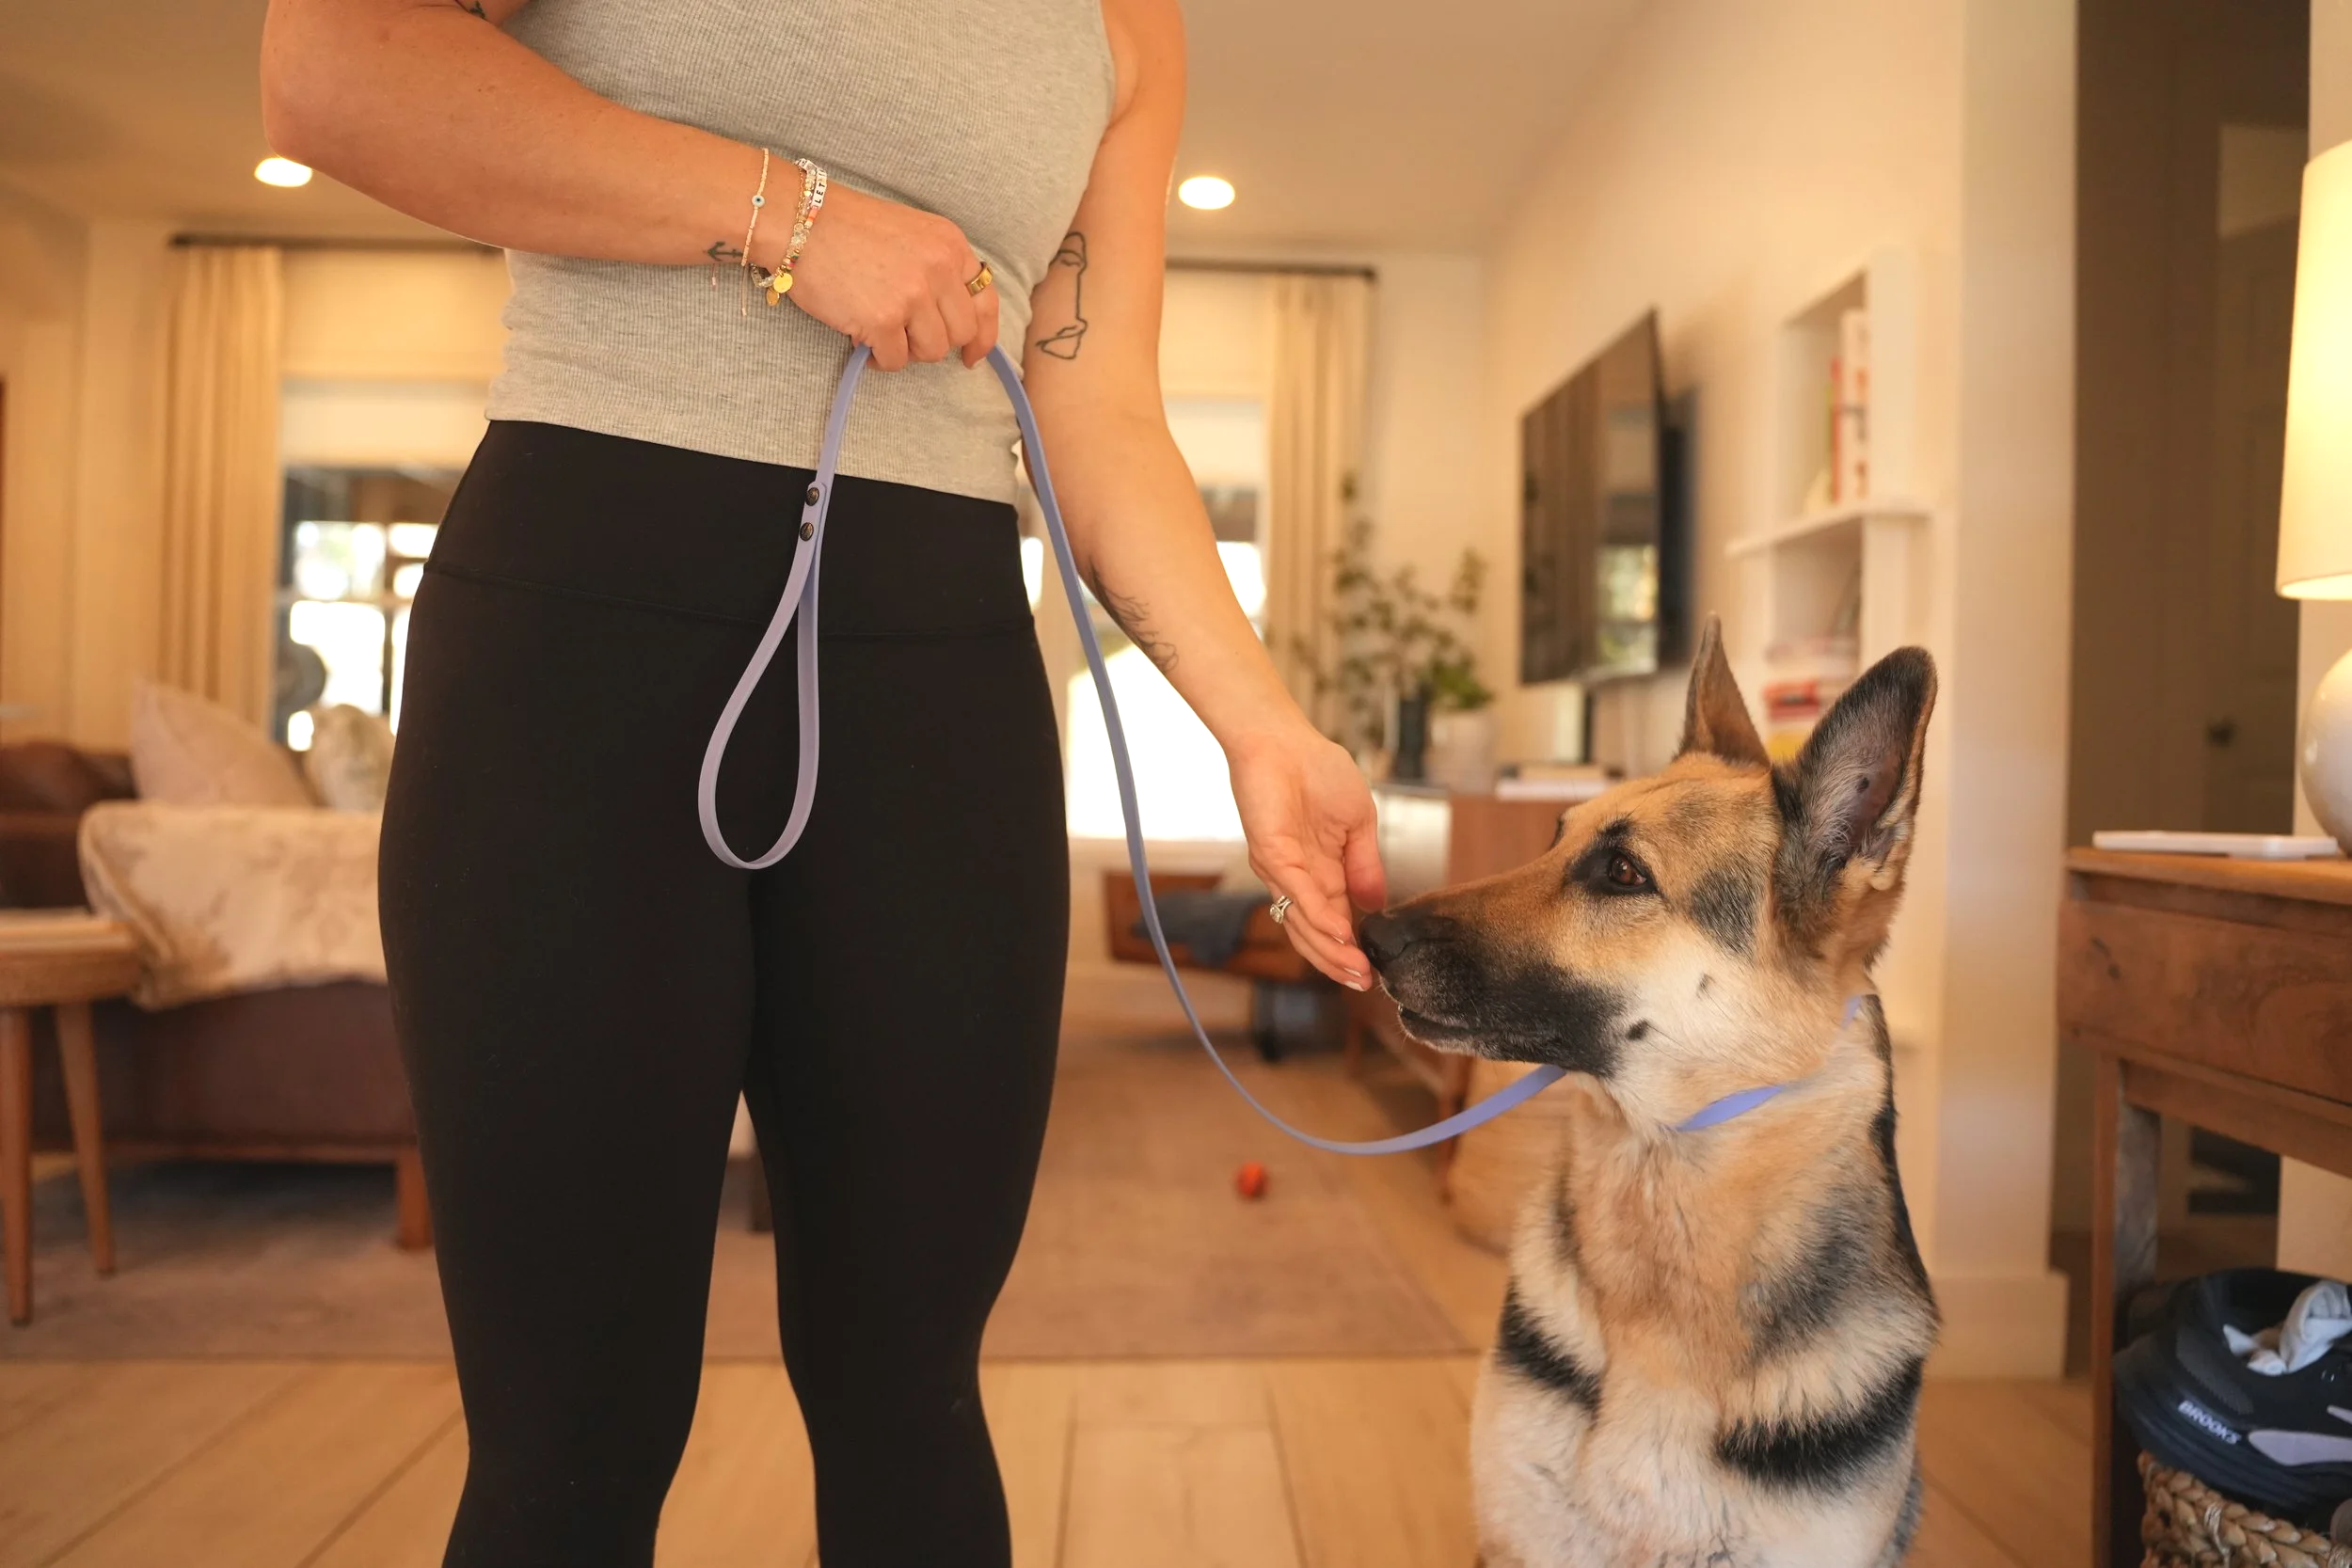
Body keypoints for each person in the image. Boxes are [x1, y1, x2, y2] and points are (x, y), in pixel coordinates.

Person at [258, 2, 1388, 1563]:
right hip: (576, 648)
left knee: (913, 1392)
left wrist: (1263, 728)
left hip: (939, 682)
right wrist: (788, 216)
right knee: (570, 1432)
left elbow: (1100, 402)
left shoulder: (1131, 25)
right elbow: (330, 69)